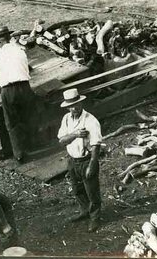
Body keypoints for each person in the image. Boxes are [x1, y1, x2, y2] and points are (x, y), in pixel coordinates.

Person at [0, 26, 36, 163]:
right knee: (27, 117)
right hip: (25, 87)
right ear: (9, 38)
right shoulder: (20, 51)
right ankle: (33, 146)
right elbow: (26, 68)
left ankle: (19, 154)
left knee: (12, 123)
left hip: (9, 91)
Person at [57, 88, 103, 232]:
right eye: (70, 106)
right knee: (77, 189)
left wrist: (92, 164)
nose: (74, 108)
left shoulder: (90, 120)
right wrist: (76, 134)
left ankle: (95, 218)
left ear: (81, 103)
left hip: (86, 159)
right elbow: (62, 141)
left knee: (92, 191)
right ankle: (84, 211)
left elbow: (96, 145)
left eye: (76, 105)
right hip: (72, 160)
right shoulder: (66, 119)